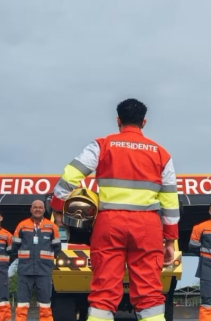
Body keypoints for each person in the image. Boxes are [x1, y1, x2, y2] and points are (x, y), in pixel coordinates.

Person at [48, 98, 180, 321]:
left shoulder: (102, 145)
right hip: (147, 226)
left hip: (109, 224)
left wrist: (58, 206)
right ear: (144, 122)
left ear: (118, 120)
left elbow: (70, 176)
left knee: (103, 292)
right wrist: (169, 239)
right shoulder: (161, 154)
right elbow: (170, 201)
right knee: (149, 294)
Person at [13, 200, 61, 321]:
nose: (37, 209)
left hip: (44, 271)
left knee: (45, 303)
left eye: (40, 207)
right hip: (25, 270)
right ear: (31, 209)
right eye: (35, 207)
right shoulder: (22, 225)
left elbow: (57, 248)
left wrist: (48, 262)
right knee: (22, 303)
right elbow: (14, 247)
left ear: (44, 210)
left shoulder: (52, 227)